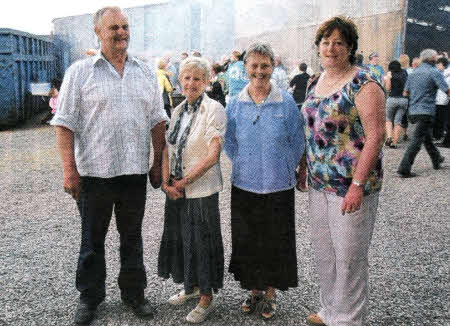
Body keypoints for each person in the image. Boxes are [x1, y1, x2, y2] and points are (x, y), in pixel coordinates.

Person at [51, 7, 168, 325]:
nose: (121, 32)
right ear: (98, 32)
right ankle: (90, 298)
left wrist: (157, 164)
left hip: (133, 172)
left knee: (132, 237)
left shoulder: (144, 72)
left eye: (125, 26)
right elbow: (64, 125)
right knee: (92, 239)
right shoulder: (79, 73)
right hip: (94, 174)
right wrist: (69, 169)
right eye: (113, 27)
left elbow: (158, 122)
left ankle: (134, 294)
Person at [298, 16, 386, 326]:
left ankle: (348, 319)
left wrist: (358, 185)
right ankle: (329, 311)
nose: (331, 48)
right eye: (325, 42)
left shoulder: (365, 81)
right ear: (318, 47)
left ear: (350, 46)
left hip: (351, 186)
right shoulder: (315, 81)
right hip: (319, 183)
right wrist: (301, 167)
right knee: (325, 253)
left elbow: (376, 136)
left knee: (349, 257)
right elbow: (309, 129)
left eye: (338, 42)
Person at [225, 42, 304, 321]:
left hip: (279, 185)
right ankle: (254, 289)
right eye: (254, 65)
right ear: (245, 68)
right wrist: (245, 164)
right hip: (245, 184)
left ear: (273, 67)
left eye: (265, 65)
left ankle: (270, 292)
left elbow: (297, 140)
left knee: (275, 240)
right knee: (248, 240)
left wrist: (286, 165)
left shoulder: (286, 103)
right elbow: (229, 142)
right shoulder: (234, 104)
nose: (259, 71)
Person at [158, 56, 226, 324]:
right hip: (176, 188)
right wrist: (166, 183)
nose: (191, 83)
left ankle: (206, 297)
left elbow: (213, 155)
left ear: (207, 81)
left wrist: (183, 182)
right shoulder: (177, 111)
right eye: (186, 78)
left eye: (197, 78)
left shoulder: (214, 109)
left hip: (200, 189)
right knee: (183, 239)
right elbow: (166, 148)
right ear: (179, 81)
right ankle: (191, 287)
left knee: (203, 241)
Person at [397, 49, 449, 178]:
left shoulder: (414, 72)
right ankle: (404, 168)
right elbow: (446, 90)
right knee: (416, 140)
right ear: (432, 58)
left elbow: (405, 93)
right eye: (436, 57)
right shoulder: (434, 72)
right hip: (426, 111)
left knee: (426, 137)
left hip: (413, 111)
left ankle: (436, 158)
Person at [384, 60, 408, 148]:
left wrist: (388, 78)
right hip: (403, 100)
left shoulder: (390, 73)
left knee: (389, 119)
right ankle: (394, 143)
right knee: (398, 122)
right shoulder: (404, 72)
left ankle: (389, 137)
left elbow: (387, 88)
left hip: (392, 99)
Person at [433, 57, 449, 141]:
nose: (437, 66)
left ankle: (438, 135)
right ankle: (437, 134)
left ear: (442, 65)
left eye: (438, 64)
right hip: (440, 99)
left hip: (442, 100)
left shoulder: (445, 75)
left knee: (440, 119)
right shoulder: (441, 73)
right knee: (439, 119)